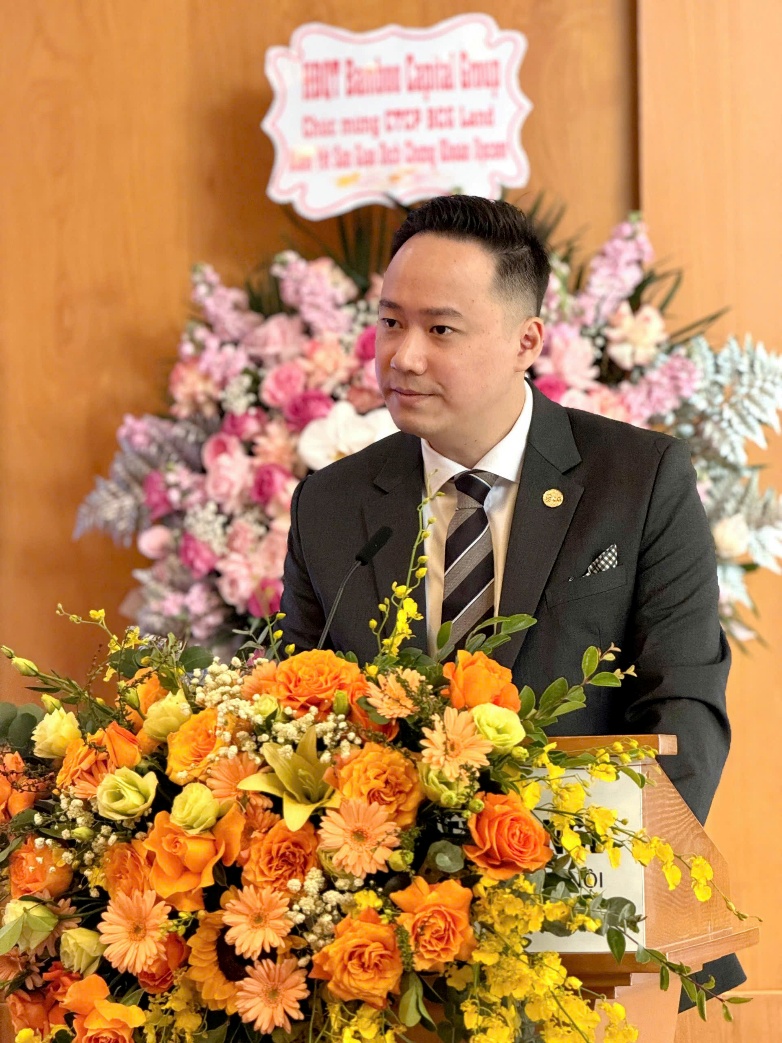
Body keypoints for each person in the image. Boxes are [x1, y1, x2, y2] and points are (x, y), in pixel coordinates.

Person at [279, 195, 743, 1001]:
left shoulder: (638, 480)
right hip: (385, 952)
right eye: (390, 323)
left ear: (527, 339)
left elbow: (687, 711)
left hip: (597, 942)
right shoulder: (330, 502)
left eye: (441, 329)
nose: (404, 356)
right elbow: (295, 725)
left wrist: (565, 897)